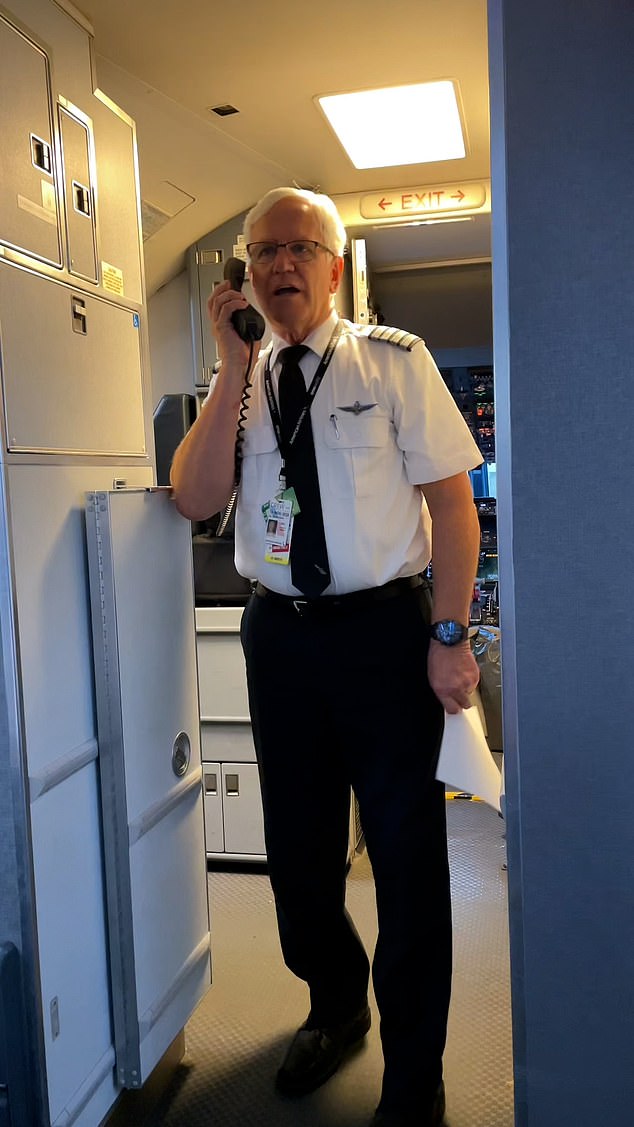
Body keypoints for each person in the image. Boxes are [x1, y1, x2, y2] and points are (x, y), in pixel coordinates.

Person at [170, 187, 482, 1127]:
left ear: (334, 268)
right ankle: (337, 1004)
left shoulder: (393, 364)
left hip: (386, 636)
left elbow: (454, 509)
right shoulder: (243, 376)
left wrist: (449, 635)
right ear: (245, 271)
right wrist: (232, 364)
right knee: (300, 858)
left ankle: (414, 1073)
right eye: (263, 251)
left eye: (301, 249)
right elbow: (194, 498)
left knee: (407, 861)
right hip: (283, 639)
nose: (280, 266)